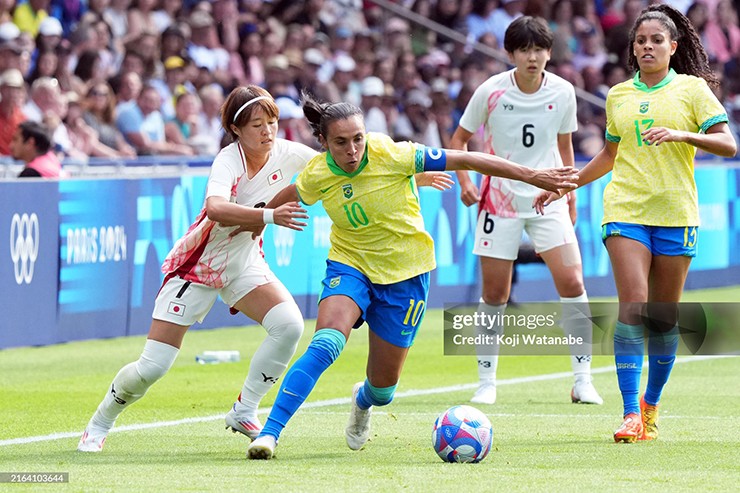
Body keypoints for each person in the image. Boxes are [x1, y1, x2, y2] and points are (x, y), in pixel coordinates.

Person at [244, 91, 579, 460]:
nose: (353, 150)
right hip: (350, 265)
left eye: (358, 139)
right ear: (323, 143)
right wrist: (255, 223)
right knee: (326, 343)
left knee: (383, 389)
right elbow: (290, 193)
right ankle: (270, 434)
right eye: (341, 143)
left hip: (406, 274)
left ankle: (362, 400)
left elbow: (467, 157)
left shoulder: (391, 152)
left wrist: (533, 175)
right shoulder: (319, 173)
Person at [534, 4, 737, 443]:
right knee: (634, 306)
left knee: (663, 319)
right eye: (641, 40)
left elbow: (728, 145)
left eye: (656, 40)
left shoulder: (692, 90)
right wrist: (567, 185)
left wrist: (685, 135)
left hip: (676, 213)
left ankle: (650, 407)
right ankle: (629, 413)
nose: (647, 46)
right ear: (633, 47)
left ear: (673, 47)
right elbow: (608, 155)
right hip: (625, 211)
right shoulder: (619, 95)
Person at [77, 85, 316, 452]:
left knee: (288, 326)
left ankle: (245, 410)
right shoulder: (228, 159)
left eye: (272, 122)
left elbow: (338, 164)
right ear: (236, 129)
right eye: (257, 125)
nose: (268, 131)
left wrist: (410, 174)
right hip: (198, 268)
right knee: (152, 368)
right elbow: (216, 208)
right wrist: (269, 215)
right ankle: (99, 423)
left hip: (243, 262)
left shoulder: (289, 153)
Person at [449, 16, 603, 407]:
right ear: (511, 53)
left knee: (572, 283)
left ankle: (582, 380)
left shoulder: (564, 91)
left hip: (547, 197)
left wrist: (569, 193)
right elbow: (460, 139)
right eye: (524, 50)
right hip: (498, 200)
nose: (532, 57)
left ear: (549, 53)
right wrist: (466, 182)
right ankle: (486, 383)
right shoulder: (491, 91)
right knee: (495, 293)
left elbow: (565, 144)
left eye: (539, 49)